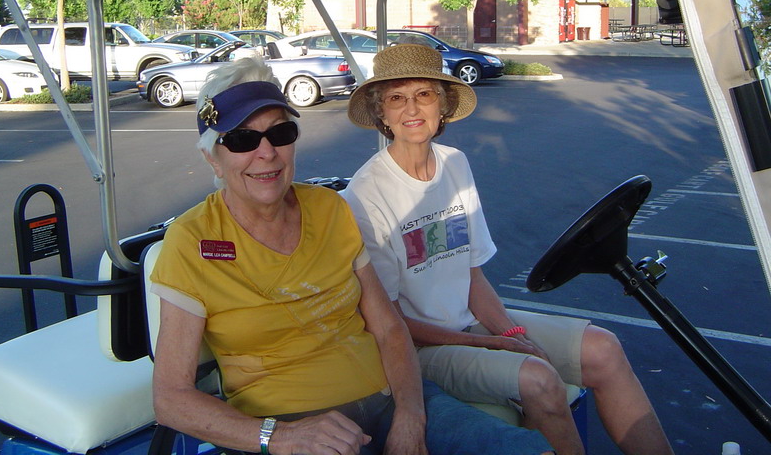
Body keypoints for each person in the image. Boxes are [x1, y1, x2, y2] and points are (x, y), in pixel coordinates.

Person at [150, 57, 553, 455]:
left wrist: (411, 414)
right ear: (212, 158)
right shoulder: (191, 241)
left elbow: (390, 328)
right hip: (292, 425)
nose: (267, 152)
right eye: (241, 140)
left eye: (281, 133)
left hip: (390, 396)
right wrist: (283, 438)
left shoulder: (330, 209)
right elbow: (170, 398)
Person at [342, 44, 675, 455]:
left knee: (603, 348)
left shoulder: (455, 163)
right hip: (419, 350)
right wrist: (491, 344)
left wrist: (510, 333)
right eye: (396, 98)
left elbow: (471, 274)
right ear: (383, 114)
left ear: (442, 105)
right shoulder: (367, 194)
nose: (411, 108)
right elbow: (390, 323)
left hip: (471, 325)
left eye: (424, 94)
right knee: (539, 379)